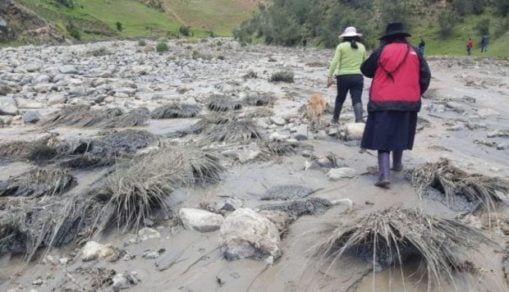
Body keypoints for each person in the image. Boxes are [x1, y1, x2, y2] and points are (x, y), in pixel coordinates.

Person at [360, 22, 431, 188]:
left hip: (382, 101)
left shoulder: (381, 51)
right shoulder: (415, 52)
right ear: (404, 37)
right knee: (401, 132)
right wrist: (415, 92)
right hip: (408, 102)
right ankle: (397, 165)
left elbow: (366, 70)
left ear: (387, 38)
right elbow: (425, 76)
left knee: (382, 137)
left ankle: (384, 175)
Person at [327, 26, 367, 124]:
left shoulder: (341, 47)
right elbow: (365, 63)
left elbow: (334, 62)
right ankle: (359, 119)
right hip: (358, 77)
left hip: (343, 77)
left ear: (344, 37)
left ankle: (335, 119)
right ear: (356, 36)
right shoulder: (362, 47)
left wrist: (329, 76)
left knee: (340, 97)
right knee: (357, 98)